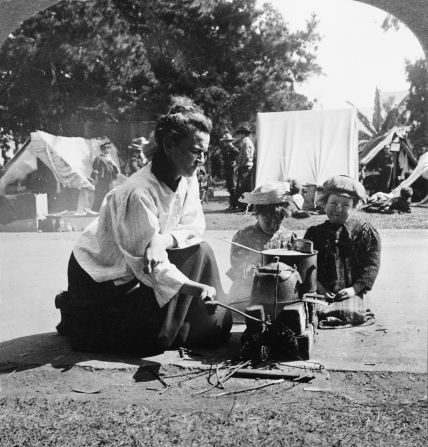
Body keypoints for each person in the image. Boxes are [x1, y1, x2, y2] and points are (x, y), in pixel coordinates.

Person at [55, 97, 232, 355]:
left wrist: (162, 241)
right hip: (100, 274)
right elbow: (150, 268)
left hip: (143, 265)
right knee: (153, 342)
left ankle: (176, 320)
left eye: (205, 152)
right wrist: (197, 289)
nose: (202, 160)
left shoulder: (187, 178)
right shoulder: (136, 192)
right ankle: (75, 310)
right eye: (196, 151)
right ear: (170, 145)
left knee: (213, 320)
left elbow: (194, 227)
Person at [304, 175, 381, 327]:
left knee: (351, 313)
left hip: (350, 292)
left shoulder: (364, 232)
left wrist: (354, 289)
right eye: (333, 202)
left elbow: (371, 265)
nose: (338, 209)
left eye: (345, 205)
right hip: (321, 292)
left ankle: (335, 314)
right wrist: (319, 287)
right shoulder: (314, 233)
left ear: (354, 207)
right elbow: (307, 265)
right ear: (324, 203)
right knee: (308, 311)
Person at [226, 181, 296, 314]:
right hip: (247, 292)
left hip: (280, 292)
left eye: (279, 219)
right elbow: (238, 266)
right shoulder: (244, 235)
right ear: (257, 215)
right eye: (267, 219)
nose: (273, 225)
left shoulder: (289, 236)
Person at [90, 140, 119, 212]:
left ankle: (108, 209)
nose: (107, 150)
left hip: (110, 179)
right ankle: (96, 209)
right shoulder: (99, 158)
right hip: (101, 179)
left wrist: (113, 164)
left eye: (108, 148)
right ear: (102, 150)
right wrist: (94, 179)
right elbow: (95, 169)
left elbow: (115, 170)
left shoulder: (110, 159)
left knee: (109, 193)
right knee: (100, 194)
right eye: (105, 149)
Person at [234, 123, 255, 210]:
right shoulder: (248, 142)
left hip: (245, 167)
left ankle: (244, 206)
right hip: (246, 166)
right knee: (245, 186)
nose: (239, 135)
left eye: (240, 134)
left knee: (243, 187)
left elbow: (246, 157)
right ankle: (245, 206)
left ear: (243, 134)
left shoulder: (246, 143)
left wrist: (239, 165)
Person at [220, 132, 239, 210]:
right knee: (229, 187)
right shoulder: (226, 149)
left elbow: (238, 155)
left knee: (232, 187)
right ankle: (232, 205)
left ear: (230, 141)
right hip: (227, 169)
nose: (225, 142)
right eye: (224, 141)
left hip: (232, 169)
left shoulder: (233, 149)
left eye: (226, 141)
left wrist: (235, 163)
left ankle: (234, 205)